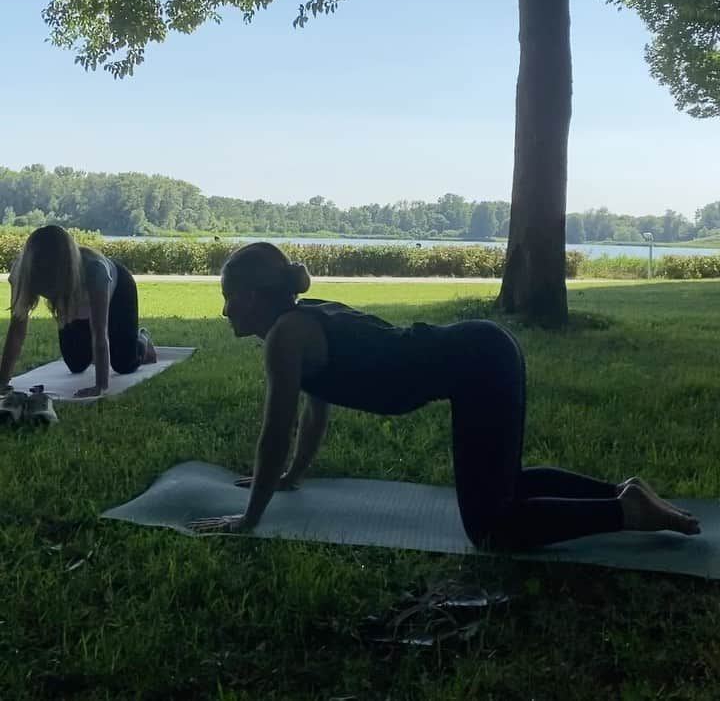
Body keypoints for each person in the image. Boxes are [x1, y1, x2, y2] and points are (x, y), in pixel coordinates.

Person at [189, 242, 701, 548]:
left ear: (253, 298)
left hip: (477, 362)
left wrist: (248, 519)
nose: (224, 311)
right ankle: (621, 491)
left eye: (227, 299)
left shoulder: (285, 337)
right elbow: (314, 405)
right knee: (501, 487)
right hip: (482, 352)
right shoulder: (303, 319)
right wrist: (293, 477)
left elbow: (275, 432)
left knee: (491, 529)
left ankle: (626, 512)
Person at [0, 225, 157, 399]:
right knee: (76, 364)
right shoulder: (22, 273)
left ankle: (143, 340)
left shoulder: (94, 270)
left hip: (118, 289)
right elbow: (16, 331)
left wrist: (101, 386)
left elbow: (99, 330)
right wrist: (2, 382)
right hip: (74, 304)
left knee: (124, 364)